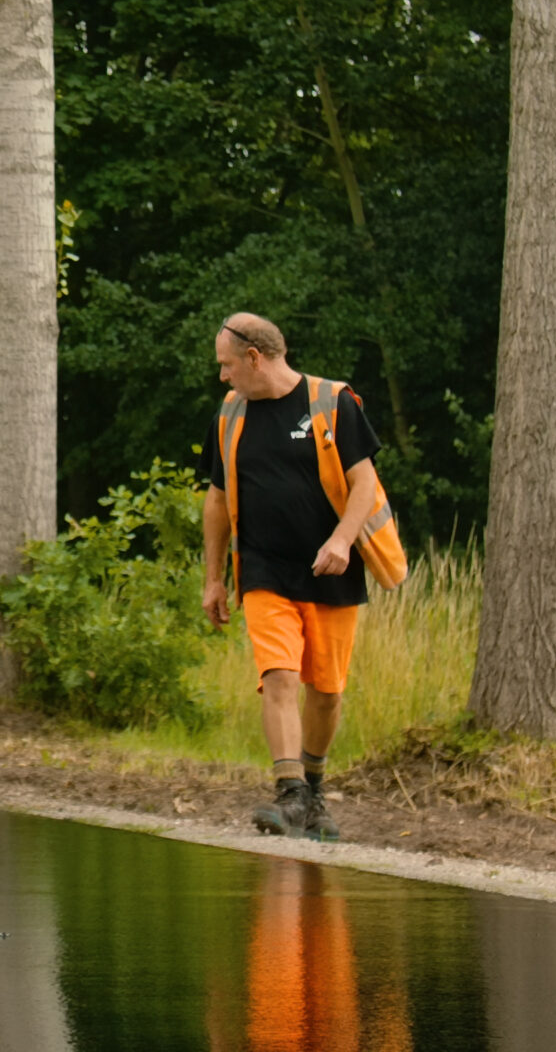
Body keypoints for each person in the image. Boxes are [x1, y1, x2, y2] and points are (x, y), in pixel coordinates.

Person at [200, 313, 385, 840]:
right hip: (262, 571)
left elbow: (364, 485)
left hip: (330, 568)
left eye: (227, 365)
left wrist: (342, 541)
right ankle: (290, 794)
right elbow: (216, 500)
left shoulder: (332, 402)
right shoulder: (231, 414)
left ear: (254, 358)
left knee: (325, 691)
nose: (223, 377)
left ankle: (315, 790)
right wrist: (214, 579)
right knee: (278, 678)